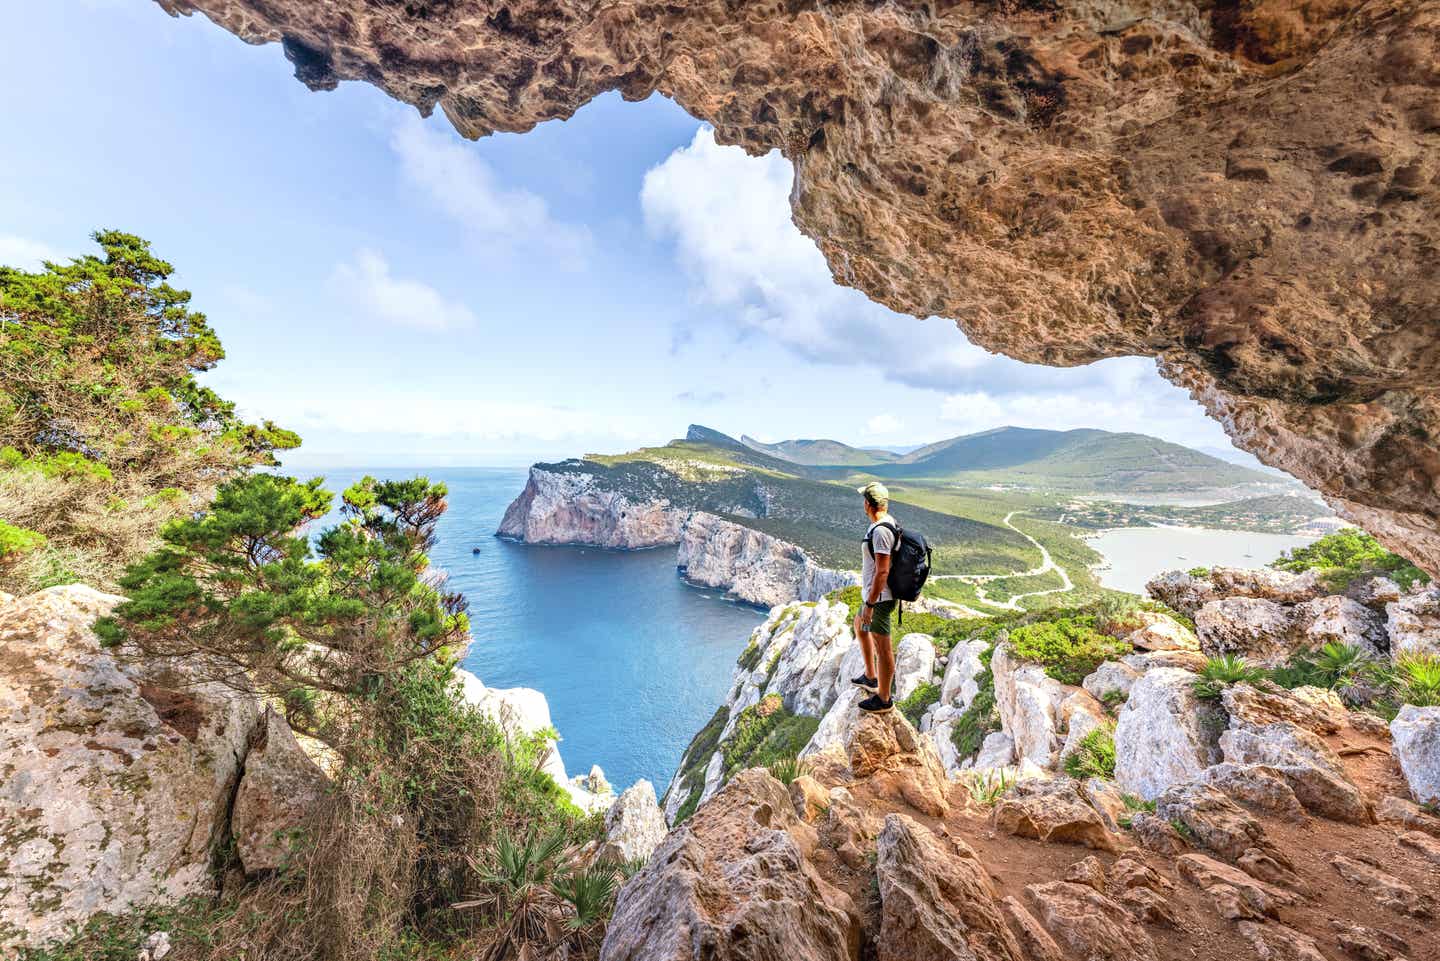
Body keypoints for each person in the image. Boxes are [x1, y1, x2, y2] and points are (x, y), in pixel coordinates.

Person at [851, 481, 898, 714]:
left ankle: (884, 699)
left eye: (864, 501)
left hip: (879, 600)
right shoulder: (885, 524)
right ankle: (870, 676)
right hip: (872, 596)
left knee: (883, 648)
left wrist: (870, 603)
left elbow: (882, 571)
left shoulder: (880, 531)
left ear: (868, 504)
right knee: (859, 625)